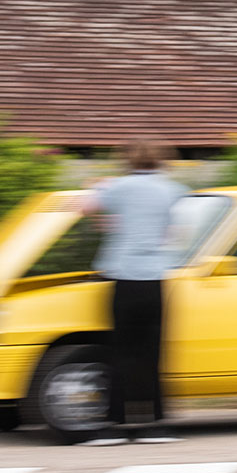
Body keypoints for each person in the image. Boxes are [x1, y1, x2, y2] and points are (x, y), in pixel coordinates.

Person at [79, 139, 187, 445]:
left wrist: (101, 192)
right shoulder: (173, 189)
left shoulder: (117, 188)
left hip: (123, 276)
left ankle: (111, 425)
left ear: (127, 159)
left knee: (120, 352)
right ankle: (155, 425)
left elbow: (85, 207)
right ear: (160, 159)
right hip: (154, 279)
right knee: (151, 353)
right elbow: (173, 231)